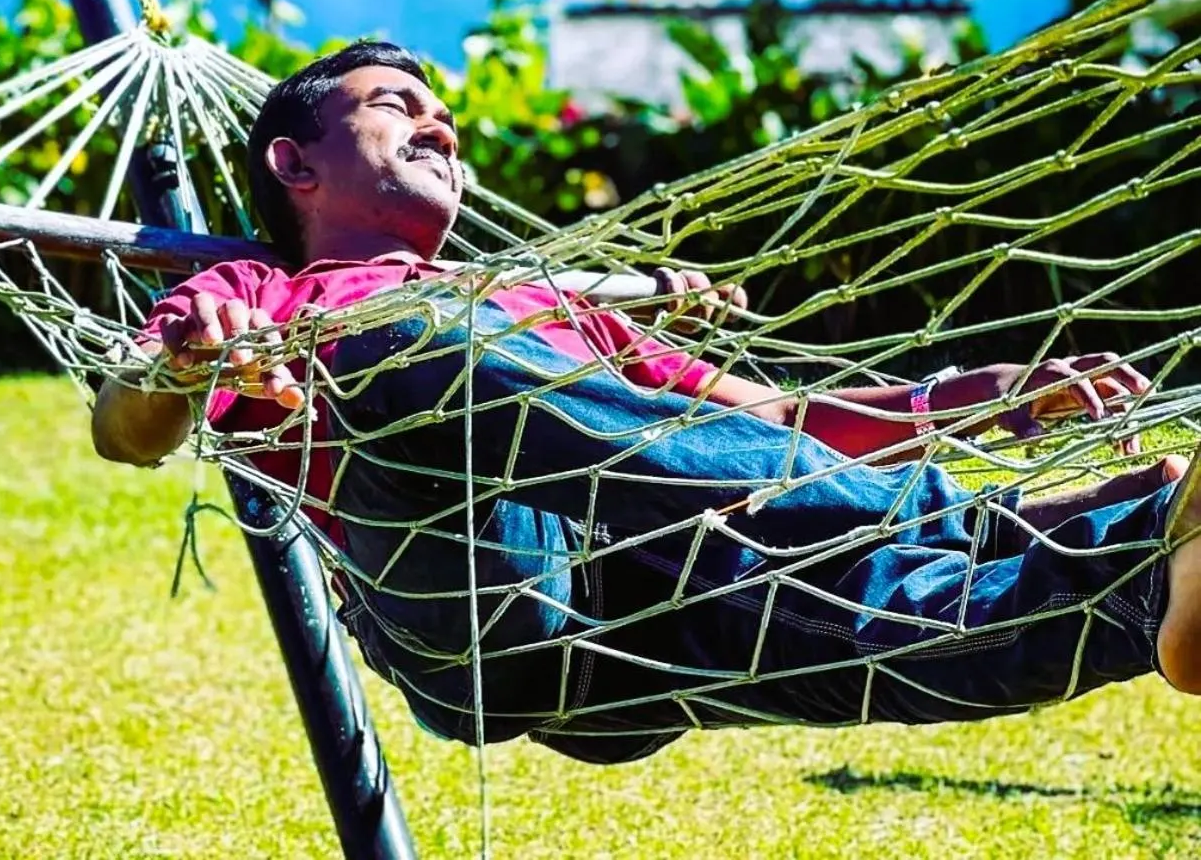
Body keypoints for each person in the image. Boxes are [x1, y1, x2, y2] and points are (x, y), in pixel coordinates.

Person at [92, 40, 1201, 760]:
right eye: (397, 107)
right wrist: (183, 367)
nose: (440, 128)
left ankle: (1147, 568)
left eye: (446, 117)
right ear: (296, 165)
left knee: (875, 624)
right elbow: (123, 428)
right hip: (475, 617)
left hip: (632, 608)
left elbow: (762, 423)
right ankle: (994, 521)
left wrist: (965, 395)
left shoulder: (535, 302)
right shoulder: (266, 295)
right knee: (402, 336)